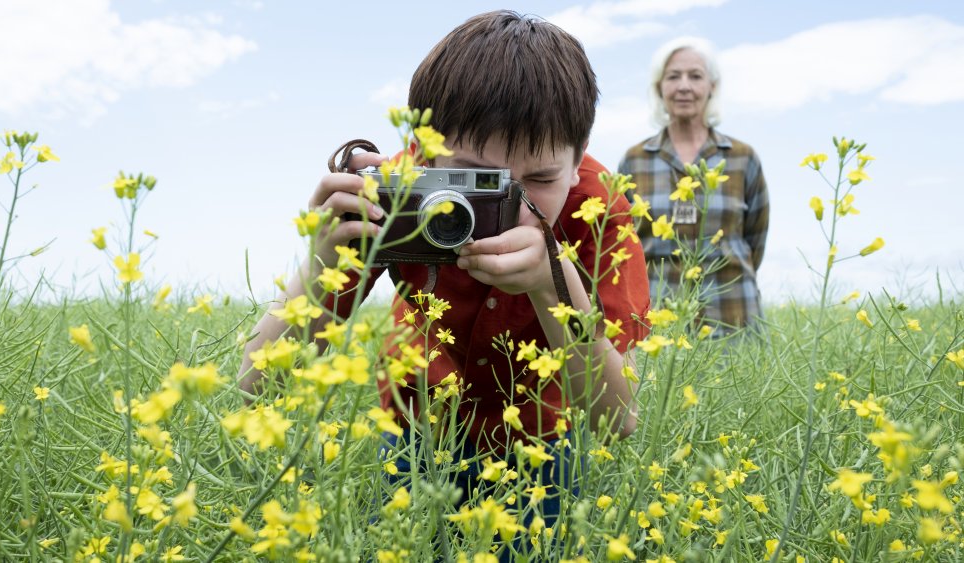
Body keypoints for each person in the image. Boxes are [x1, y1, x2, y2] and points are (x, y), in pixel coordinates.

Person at [238, 10, 650, 556]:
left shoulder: (601, 206)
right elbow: (254, 386)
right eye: (474, 181)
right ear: (425, 155)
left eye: (542, 180)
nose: (513, 205)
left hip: (543, 434)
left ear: (578, 164)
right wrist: (320, 265)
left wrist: (553, 284)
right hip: (418, 424)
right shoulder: (399, 191)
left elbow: (616, 418)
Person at [618, 37, 769, 335]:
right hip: (657, 321)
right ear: (659, 87)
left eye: (695, 76)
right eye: (673, 76)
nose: (684, 86)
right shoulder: (634, 161)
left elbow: (755, 242)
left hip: (733, 316)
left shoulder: (742, 158)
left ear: (712, 86)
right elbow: (623, 239)